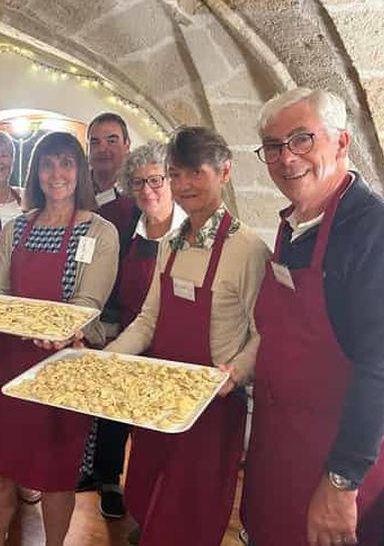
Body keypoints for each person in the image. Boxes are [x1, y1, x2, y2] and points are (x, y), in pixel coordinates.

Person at [241, 88, 384, 546]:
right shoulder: (294, 224)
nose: (286, 159)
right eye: (274, 147)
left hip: (334, 459)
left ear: (341, 143)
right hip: (282, 444)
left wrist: (341, 482)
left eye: (302, 140)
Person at [106, 126, 270, 546]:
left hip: (212, 409)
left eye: (196, 173)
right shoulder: (171, 244)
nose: (184, 185)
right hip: (159, 400)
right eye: (176, 174)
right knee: (145, 496)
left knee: (189, 516)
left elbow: (264, 333)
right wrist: (104, 359)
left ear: (224, 172)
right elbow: (147, 321)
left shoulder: (247, 249)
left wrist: (233, 375)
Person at [0, 131, 119, 546]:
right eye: (48, 164)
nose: (57, 173)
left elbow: (89, 305)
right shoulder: (16, 229)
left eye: (66, 163)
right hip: (8, 363)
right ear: (35, 172)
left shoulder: (101, 232)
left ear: (80, 171)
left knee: (56, 477)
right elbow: (0, 293)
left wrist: (63, 331)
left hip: (62, 368)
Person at [92, 141, 187, 520]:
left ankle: (158, 509)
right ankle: (112, 482)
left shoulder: (189, 230)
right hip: (128, 337)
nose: (147, 190)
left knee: (159, 435)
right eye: (137, 183)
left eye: (156, 180)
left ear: (171, 180)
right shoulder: (127, 228)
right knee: (116, 417)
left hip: (172, 346)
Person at [77, 112, 138, 502]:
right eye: (95, 141)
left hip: (123, 311)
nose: (103, 149)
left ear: (126, 146)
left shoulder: (138, 197)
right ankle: (82, 465)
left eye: (111, 140)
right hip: (82, 304)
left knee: (115, 395)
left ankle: (110, 476)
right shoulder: (78, 193)